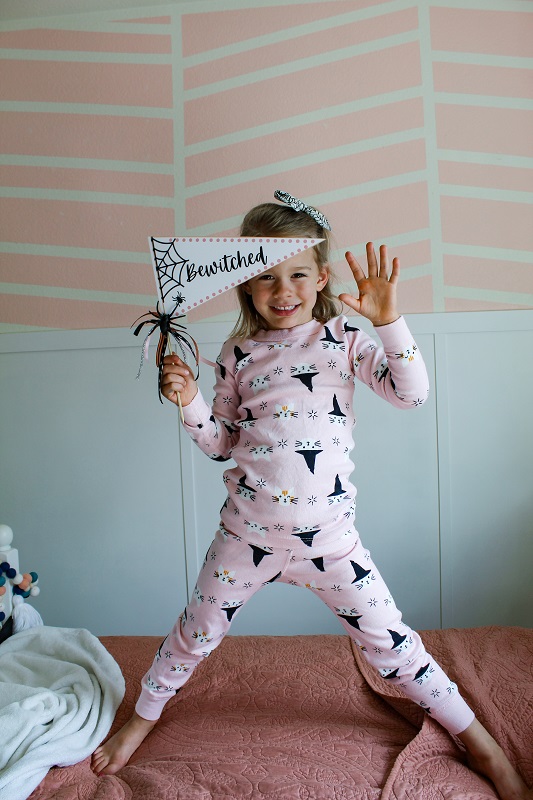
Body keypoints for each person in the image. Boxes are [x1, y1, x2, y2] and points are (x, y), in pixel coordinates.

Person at [92, 193, 532, 800]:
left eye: (298, 272)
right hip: (245, 537)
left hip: (331, 539)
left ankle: (481, 744)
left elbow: (413, 394)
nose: (283, 289)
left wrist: (388, 320)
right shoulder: (236, 356)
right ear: (244, 286)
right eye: (265, 277)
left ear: (322, 277)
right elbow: (221, 445)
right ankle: (143, 719)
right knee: (194, 633)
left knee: (395, 646)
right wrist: (189, 400)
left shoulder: (343, 338)